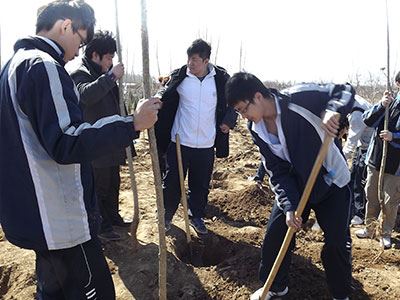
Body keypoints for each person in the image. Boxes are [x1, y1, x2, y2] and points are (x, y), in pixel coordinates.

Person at [0, 1, 160, 299]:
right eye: (80, 40)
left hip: (34, 216)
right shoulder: (43, 66)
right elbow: (67, 140)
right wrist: (132, 124)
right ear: (65, 25)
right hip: (60, 221)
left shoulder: (11, 67)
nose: (77, 51)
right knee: (93, 291)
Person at [225, 72, 354, 300]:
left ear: (257, 96)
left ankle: (341, 294)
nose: (243, 116)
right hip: (296, 184)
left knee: (336, 242)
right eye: (239, 112)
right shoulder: (256, 129)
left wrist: (333, 110)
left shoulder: (299, 99)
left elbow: (344, 90)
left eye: (244, 109)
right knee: (276, 234)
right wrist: (289, 206)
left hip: (332, 181)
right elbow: (276, 169)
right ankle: (275, 287)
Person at [155, 39, 237, 234]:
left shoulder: (220, 79)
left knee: (200, 185)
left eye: (195, 60)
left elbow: (233, 102)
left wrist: (228, 120)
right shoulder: (181, 76)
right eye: (189, 59)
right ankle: (166, 217)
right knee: (173, 182)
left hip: (206, 143)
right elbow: (163, 93)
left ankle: (196, 216)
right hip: (180, 141)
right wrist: (156, 102)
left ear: (206, 60)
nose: (190, 64)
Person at [71, 30, 133, 242]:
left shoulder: (103, 76)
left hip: (111, 142)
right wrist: (111, 76)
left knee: (113, 182)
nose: (111, 62)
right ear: (95, 55)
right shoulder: (81, 74)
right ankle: (101, 226)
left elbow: (116, 106)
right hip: (96, 143)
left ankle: (113, 216)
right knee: (99, 186)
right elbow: (87, 96)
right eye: (108, 57)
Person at [355, 77, 400, 249]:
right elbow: (367, 120)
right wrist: (381, 105)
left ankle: (385, 233)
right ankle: (370, 228)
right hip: (376, 159)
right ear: (398, 84)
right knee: (371, 195)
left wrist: (394, 136)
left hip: (395, 166)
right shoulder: (388, 102)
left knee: (390, 201)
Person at [342, 95, 374, 225]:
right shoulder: (354, 100)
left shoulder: (357, 114)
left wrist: (339, 161)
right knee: (353, 177)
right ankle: (352, 210)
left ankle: (359, 214)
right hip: (363, 146)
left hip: (369, 148)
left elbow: (350, 144)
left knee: (359, 181)